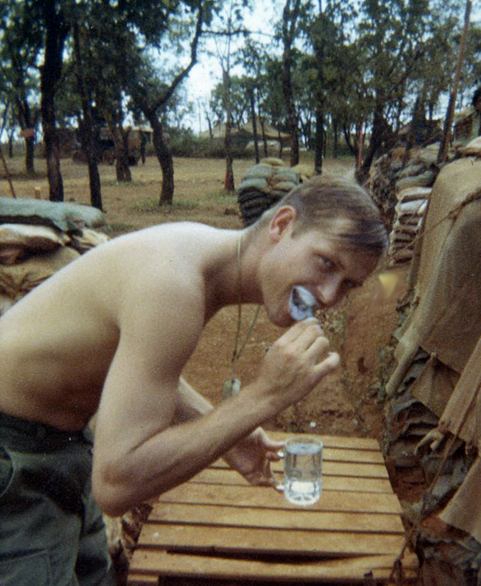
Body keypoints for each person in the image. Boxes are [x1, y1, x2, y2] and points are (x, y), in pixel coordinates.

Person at [0, 174, 388, 586]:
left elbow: (137, 358)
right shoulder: (173, 283)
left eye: (348, 284)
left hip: (60, 448)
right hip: (11, 459)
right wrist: (263, 397)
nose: (328, 295)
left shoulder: (198, 256)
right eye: (326, 262)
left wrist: (226, 431)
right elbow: (115, 485)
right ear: (281, 225)